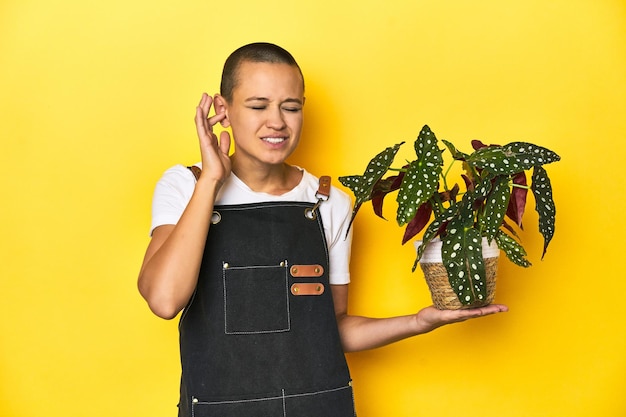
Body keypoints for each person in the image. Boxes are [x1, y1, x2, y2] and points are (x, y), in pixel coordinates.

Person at [138, 42, 508, 417]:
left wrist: (419, 321)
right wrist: (212, 181)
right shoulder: (187, 186)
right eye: (257, 105)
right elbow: (164, 300)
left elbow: (332, 328)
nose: (277, 122)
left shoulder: (330, 202)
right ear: (223, 110)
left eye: (291, 107)